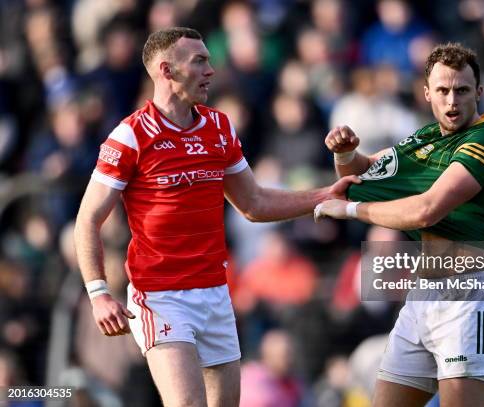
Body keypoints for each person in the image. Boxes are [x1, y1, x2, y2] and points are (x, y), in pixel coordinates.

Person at [73, 27, 357, 407]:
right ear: (166, 70)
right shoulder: (129, 137)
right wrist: (98, 293)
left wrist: (322, 197)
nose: (211, 70)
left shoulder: (219, 127)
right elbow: (88, 218)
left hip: (215, 291)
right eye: (200, 61)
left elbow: (253, 203)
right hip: (160, 295)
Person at [315, 43, 484, 407]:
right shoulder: (424, 139)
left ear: (480, 93)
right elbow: (361, 176)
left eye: (462, 90)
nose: (452, 101)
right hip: (423, 296)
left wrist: (349, 212)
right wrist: (345, 153)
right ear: (426, 93)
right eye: (442, 90)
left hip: (470, 299)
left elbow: (427, 210)